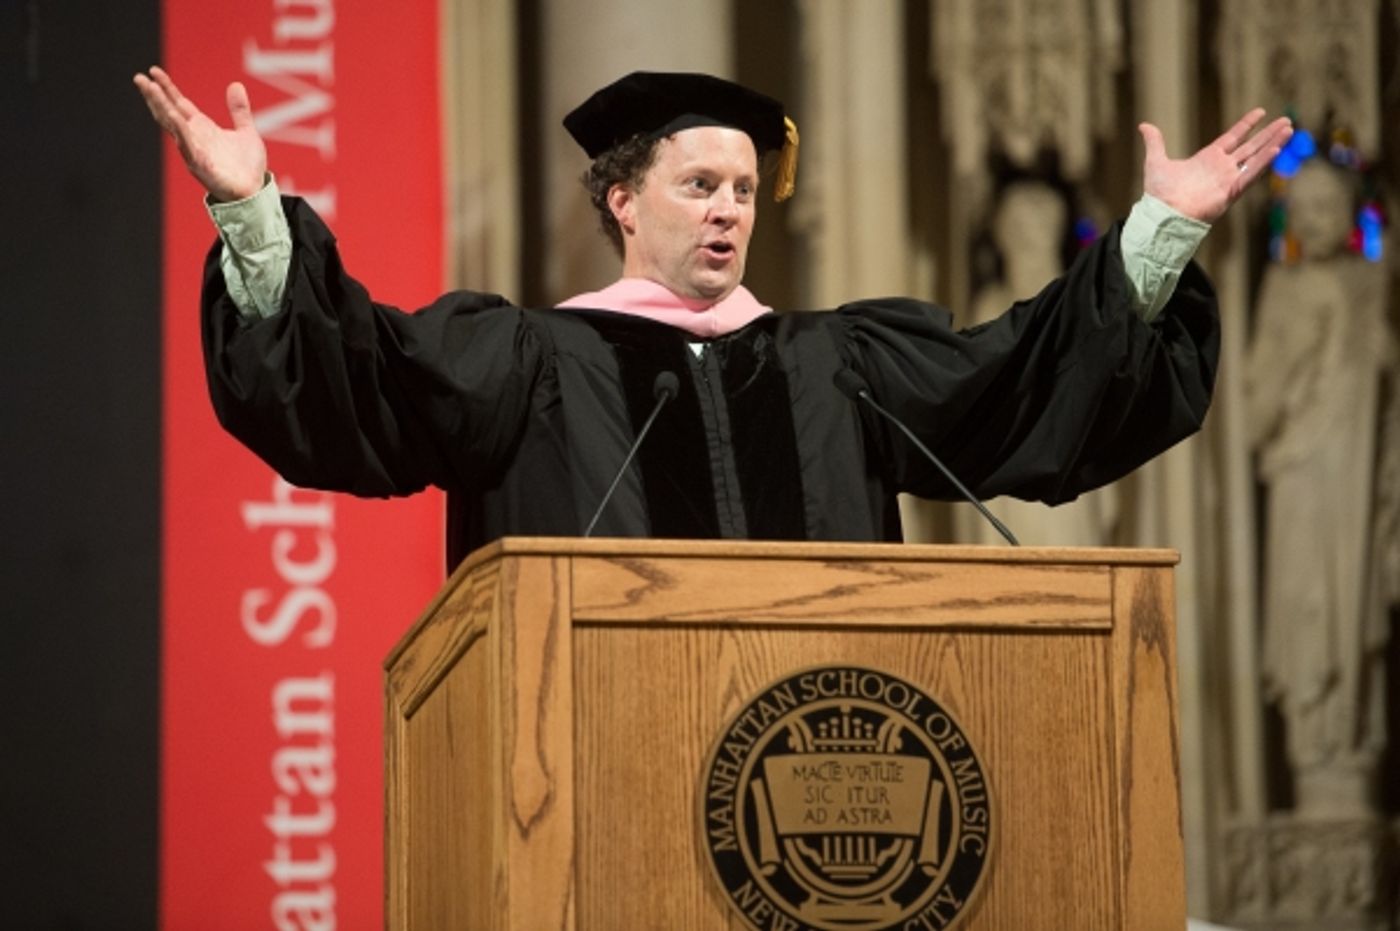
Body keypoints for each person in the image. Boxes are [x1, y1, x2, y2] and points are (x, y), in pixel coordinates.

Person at [134, 67, 1291, 567]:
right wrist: (249, 208)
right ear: (622, 198)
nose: (730, 210)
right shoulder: (529, 359)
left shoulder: (839, 360)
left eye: (743, 189)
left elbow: (1019, 380)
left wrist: (1155, 235)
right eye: (699, 186)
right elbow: (356, 377)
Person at [1245, 159, 1394, 813]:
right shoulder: (1279, 288)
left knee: (1354, 611)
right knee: (1308, 614)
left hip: (1358, 484)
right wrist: (1297, 352)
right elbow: (1251, 419)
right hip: (1301, 482)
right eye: (1301, 210)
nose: (1315, 222)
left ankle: (1351, 744)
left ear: (1353, 212)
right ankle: (1311, 750)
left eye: (1328, 206)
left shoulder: (1374, 283)